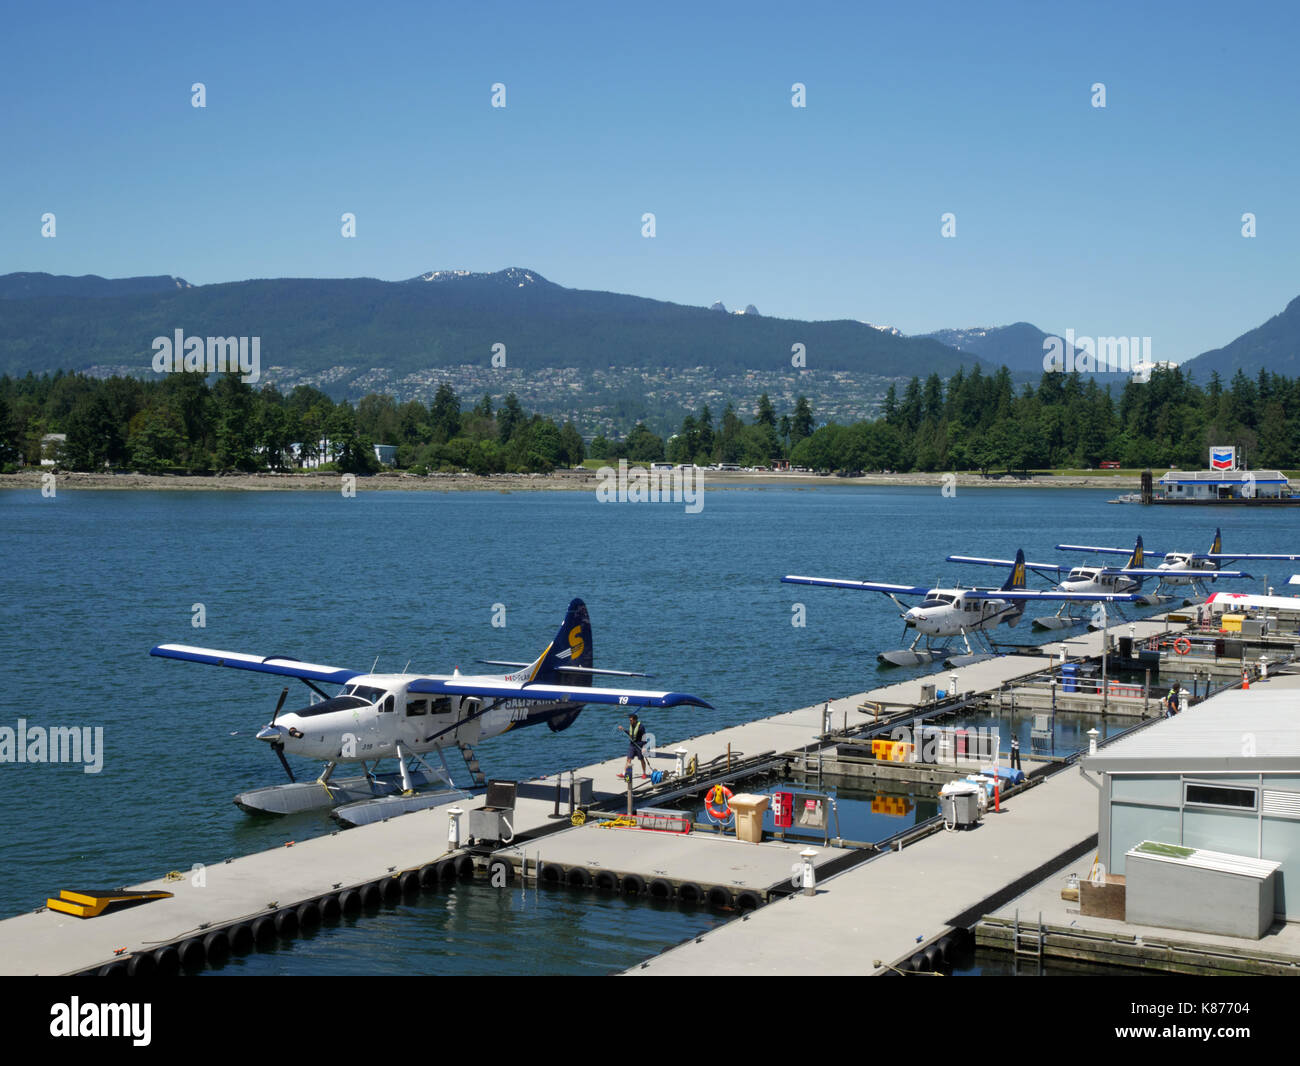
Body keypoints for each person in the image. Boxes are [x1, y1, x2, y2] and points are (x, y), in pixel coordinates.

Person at [618, 712, 649, 778]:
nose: (630, 721)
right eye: (629, 720)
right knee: (629, 758)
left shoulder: (641, 727)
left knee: (641, 759)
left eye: (631, 720)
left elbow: (644, 737)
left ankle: (644, 773)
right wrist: (623, 729)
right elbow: (630, 733)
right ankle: (624, 773)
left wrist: (644, 747)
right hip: (632, 744)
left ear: (635, 720)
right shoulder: (631, 725)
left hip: (639, 745)